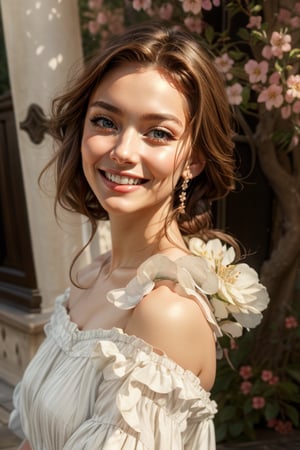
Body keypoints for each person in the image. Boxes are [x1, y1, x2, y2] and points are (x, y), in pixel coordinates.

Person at [9, 22, 268, 450]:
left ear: (194, 160)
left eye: (158, 133)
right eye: (105, 121)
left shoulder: (165, 314)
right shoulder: (94, 274)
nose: (123, 151)